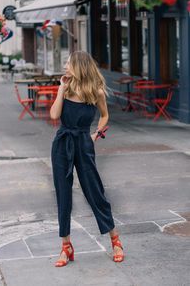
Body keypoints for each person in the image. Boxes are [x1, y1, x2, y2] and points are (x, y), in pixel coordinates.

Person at [50, 51, 124, 268]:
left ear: (79, 66)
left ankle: (115, 240)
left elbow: (104, 116)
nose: (65, 66)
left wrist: (96, 136)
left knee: (94, 191)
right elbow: (54, 116)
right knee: (63, 195)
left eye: (68, 63)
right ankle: (66, 246)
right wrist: (61, 89)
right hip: (62, 143)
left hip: (83, 143)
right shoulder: (65, 89)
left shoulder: (96, 92)